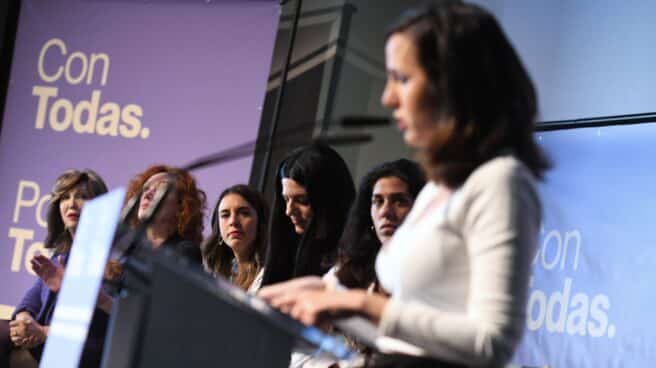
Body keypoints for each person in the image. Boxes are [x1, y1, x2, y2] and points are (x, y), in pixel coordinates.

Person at [261, 2, 551, 367]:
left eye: (402, 79)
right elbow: (405, 333)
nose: (387, 97)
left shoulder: (499, 182)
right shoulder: (437, 188)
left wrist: (358, 303)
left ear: (453, 87)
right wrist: (321, 298)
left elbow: (491, 343)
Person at [0, 169, 111, 368]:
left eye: (83, 197)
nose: (71, 204)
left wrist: (42, 332)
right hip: (43, 339)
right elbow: (32, 298)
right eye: (64, 198)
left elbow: (95, 329)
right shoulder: (62, 254)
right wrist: (24, 321)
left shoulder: (110, 258)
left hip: (79, 349)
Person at [261, 143, 356, 287]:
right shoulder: (285, 248)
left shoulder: (353, 256)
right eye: (286, 199)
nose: (289, 211)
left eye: (302, 201)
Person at [124, 165, 207, 264]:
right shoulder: (125, 250)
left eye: (161, 189)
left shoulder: (185, 251)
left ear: (181, 205)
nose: (148, 194)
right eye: (145, 189)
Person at [202, 184, 269, 292]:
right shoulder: (212, 273)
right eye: (225, 215)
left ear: (260, 222)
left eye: (244, 213)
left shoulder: (270, 273)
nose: (233, 221)